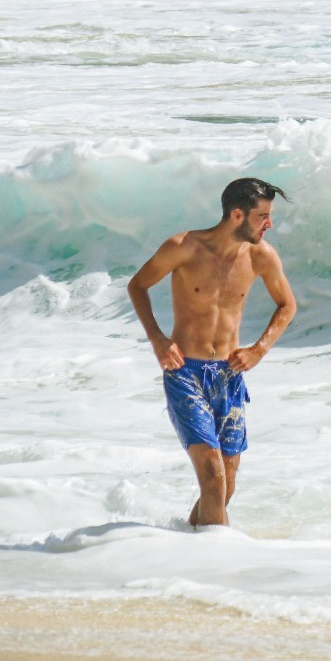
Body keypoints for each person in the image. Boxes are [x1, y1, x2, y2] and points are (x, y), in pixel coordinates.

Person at [127, 178, 297, 529]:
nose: (270, 224)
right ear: (238, 214)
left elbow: (287, 305)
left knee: (225, 483)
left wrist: (258, 350)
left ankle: (191, 546)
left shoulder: (261, 256)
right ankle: (216, 567)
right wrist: (158, 340)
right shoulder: (183, 247)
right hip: (184, 373)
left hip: (229, 377)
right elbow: (137, 286)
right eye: (262, 216)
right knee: (213, 478)